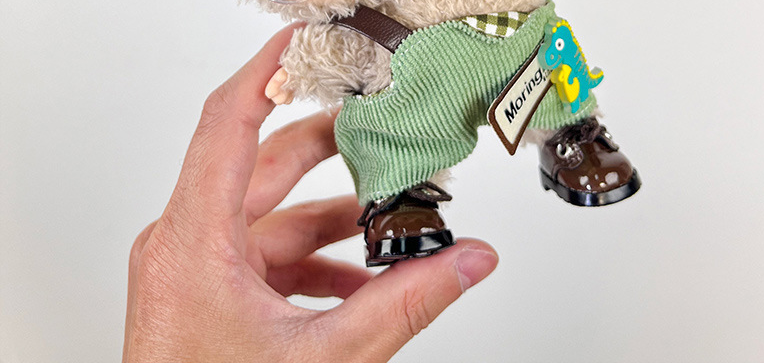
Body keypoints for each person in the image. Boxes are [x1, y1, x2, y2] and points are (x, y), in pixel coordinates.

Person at [123, 24, 499, 362]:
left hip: (463, 79)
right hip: (390, 112)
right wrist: (302, 64)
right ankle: (397, 205)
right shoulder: (363, 27)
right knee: (383, 145)